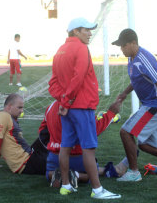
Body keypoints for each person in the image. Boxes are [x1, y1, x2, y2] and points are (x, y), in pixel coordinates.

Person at [48, 17, 121, 199]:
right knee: (89, 148)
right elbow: (78, 77)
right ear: (75, 31)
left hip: (69, 108)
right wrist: (66, 101)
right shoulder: (81, 48)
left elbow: (53, 83)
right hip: (81, 107)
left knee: (65, 147)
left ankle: (66, 185)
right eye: (86, 30)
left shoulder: (60, 50)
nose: (90, 33)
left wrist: (63, 101)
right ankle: (97, 190)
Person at [112, 28, 157, 181]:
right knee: (145, 145)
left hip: (155, 106)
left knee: (126, 132)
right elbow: (136, 80)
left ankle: (133, 172)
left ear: (133, 43)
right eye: (120, 46)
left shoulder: (144, 58)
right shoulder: (132, 58)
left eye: (123, 45)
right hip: (150, 105)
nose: (121, 49)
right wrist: (124, 93)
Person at [40, 100, 130, 188]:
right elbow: (94, 130)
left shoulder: (50, 107)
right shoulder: (80, 107)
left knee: (49, 172)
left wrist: (54, 143)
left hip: (55, 157)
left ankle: (56, 175)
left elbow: (42, 130)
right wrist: (111, 113)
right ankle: (77, 175)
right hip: (79, 157)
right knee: (92, 175)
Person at [0, 93, 49, 179]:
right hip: (26, 163)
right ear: (9, 107)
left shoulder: (9, 117)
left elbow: (2, 143)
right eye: (19, 107)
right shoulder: (3, 117)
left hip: (30, 156)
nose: (22, 110)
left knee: (48, 134)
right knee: (57, 162)